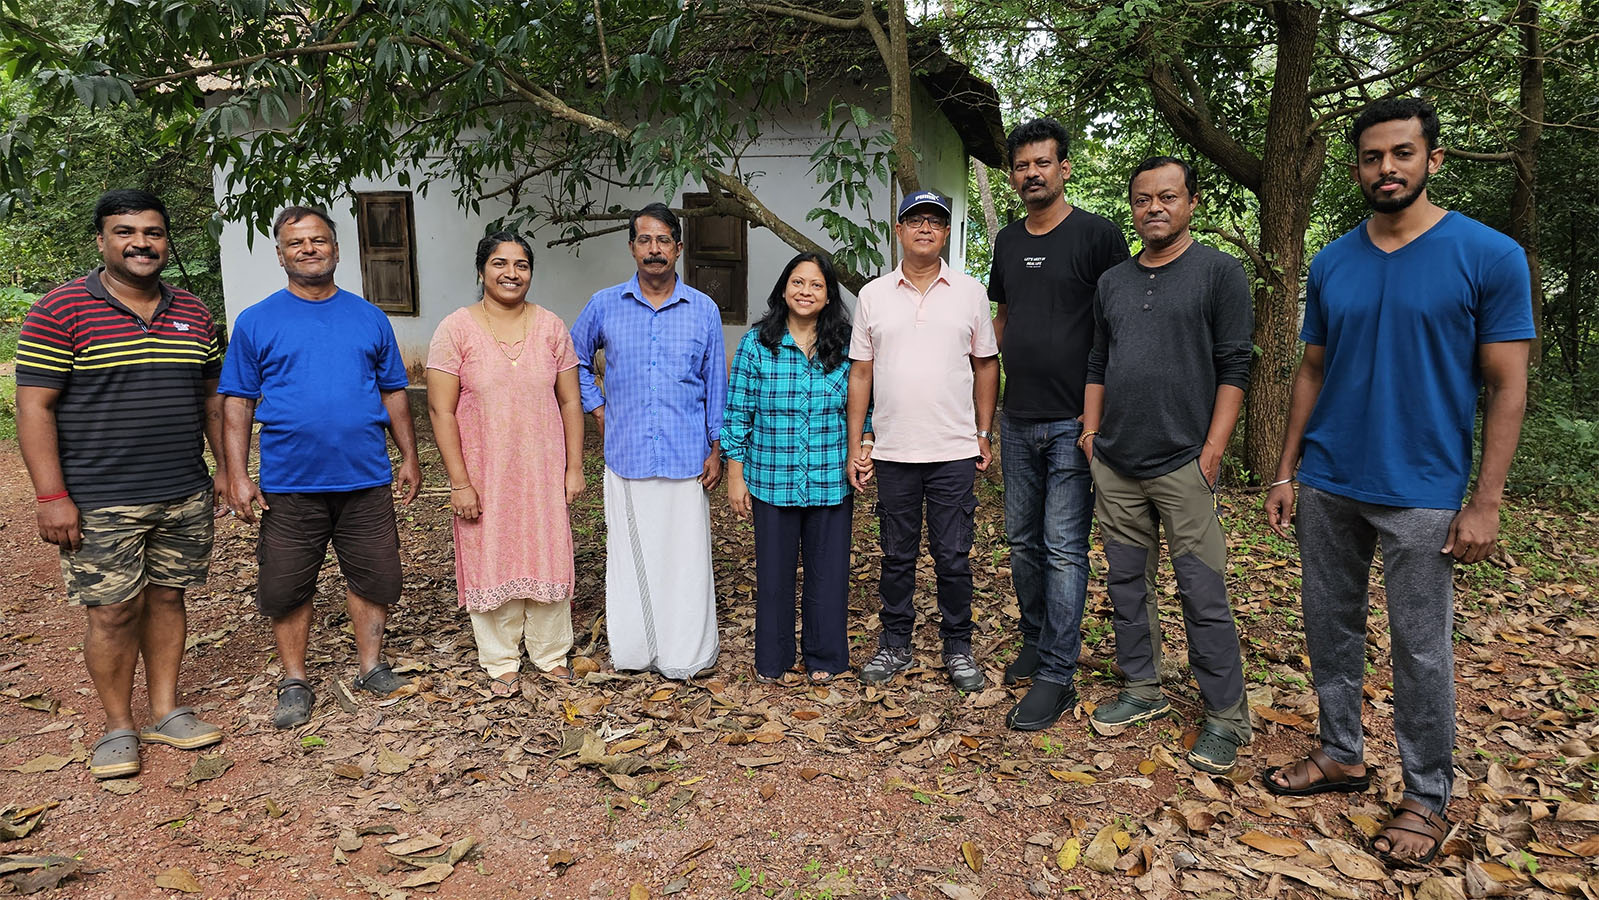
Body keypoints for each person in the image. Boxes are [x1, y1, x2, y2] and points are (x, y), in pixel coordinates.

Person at [1262, 98, 1533, 867]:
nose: (1387, 168)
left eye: (1402, 153)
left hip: (1422, 488)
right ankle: (1340, 752)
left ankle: (1424, 795)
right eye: (1373, 156)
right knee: (1329, 626)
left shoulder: (1487, 255)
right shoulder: (1332, 260)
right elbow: (1309, 369)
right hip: (1328, 480)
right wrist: (1286, 470)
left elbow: (1507, 386)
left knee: (1420, 650)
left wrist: (1485, 501)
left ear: (1431, 160)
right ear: (1357, 168)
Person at [16, 189, 226, 778]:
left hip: (183, 489)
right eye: (125, 232)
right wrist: (52, 496)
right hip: (100, 495)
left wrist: (228, 470)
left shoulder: (194, 311)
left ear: (166, 240)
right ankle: (117, 725)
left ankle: (164, 710)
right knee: (111, 611)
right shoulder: (59, 311)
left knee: (167, 596)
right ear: (102, 240)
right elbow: (34, 408)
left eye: (153, 232)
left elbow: (212, 396)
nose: (141, 243)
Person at [1081, 157, 1254, 775]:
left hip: (1185, 461)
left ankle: (1227, 716)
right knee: (1128, 584)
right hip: (1117, 461)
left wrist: (1212, 450)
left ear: (1191, 203)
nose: (1154, 208)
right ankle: (1144, 689)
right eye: (1143, 200)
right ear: (1132, 207)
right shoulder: (1114, 282)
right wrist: (1091, 432)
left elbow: (1236, 365)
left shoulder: (1219, 273)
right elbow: (1098, 360)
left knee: (1202, 590)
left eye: (1167, 198)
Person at [220, 206, 421, 729]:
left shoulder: (368, 316)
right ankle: (294, 680)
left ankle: (371, 666)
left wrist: (410, 456)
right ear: (280, 254)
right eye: (296, 243)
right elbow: (237, 401)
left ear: (335, 248)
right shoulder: (257, 320)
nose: (308, 249)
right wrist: (238, 474)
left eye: (319, 240)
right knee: (286, 585)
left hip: (366, 477)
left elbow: (393, 390)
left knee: (377, 576)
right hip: (290, 482)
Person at [987, 117, 1134, 730]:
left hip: (1075, 420)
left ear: (1064, 167)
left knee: (1064, 548)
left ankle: (1057, 674)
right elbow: (1001, 321)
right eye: (1022, 166)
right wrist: (990, 402)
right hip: (1017, 417)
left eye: (1042, 163)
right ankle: (1037, 634)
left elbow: (1119, 322)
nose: (1031, 174)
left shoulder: (1098, 236)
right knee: (1022, 542)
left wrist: (1099, 416)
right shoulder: (1006, 241)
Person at [848, 190, 1000, 692]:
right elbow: (862, 374)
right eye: (916, 220)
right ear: (899, 229)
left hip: (954, 449)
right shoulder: (872, 295)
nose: (926, 228)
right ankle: (895, 644)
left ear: (946, 233)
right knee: (896, 554)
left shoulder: (970, 292)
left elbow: (985, 366)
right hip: (893, 450)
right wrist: (859, 443)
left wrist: (982, 433)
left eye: (936, 221)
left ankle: (958, 647)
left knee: (954, 556)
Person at [571, 202, 726, 679]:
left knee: (685, 561)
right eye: (645, 240)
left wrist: (716, 448)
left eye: (663, 240)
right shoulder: (604, 305)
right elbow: (572, 359)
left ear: (678, 248)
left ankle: (685, 653)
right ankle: (637, 652)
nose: (654, 250)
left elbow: (715, 385)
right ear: (632, 247)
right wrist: (597, 406)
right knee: (631, 558)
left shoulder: (703, 309)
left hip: (686, 458)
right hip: (628, 455)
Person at [426, 232, 585, 696]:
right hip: (484, 469)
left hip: (542, 467)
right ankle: (500, 659)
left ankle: (550, 652)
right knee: (490, 550)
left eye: (521, 265)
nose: (511, 273)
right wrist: (460, 482)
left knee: (546, 548)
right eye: (499, 263)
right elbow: (440, 410)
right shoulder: (455, 329)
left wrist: (574, 467)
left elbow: (571, 401)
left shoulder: (551, 326)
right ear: (481, 271)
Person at [723, 252, 867, 684]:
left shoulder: (846, 345)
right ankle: (774, 658)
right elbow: (737, 415)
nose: (806, 292)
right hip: (771, 478)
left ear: (828, 296)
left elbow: (868, 406)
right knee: (773, 575)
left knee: (829, 574)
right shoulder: (756, 345)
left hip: (829, 478)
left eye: (816, 285)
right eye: (798, 283)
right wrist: (736, 475)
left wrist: (867, 444)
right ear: (784, 289)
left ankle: (824, 657)